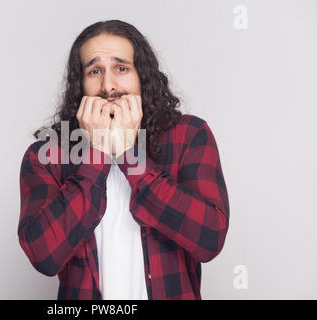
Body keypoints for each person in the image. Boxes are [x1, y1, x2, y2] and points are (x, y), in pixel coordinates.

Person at [18, 20, 230, 300]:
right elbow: (43, 255)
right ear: (79, 85)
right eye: (95, 71)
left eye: (121, 68)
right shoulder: (47, 156)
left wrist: (130, 155)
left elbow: (209, 239)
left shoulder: (190, 135)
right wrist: (98, 153)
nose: (108, 86)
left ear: (142, 76)